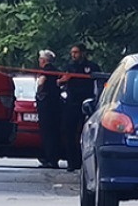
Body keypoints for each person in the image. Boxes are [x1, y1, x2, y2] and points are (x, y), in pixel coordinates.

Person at [59, 42, 101, 171]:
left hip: (87, 103)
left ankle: (86, 163)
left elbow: (99, 83)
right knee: (69, 132)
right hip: (72, 103)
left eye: (76, 52)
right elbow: (60, 82)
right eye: (72, 53)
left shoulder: (92, 67)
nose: (73, 55)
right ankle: (72, 162)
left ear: (82, 53)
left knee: (87, 133)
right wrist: (62, 80)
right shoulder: (69, 67)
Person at [35, 49, 63, 169]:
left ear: (43, 60)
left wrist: (39, 91)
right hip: (56, 104)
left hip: (46, 105)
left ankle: (49, 158)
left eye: (40, 59)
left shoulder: (45, 71)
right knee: (54, 132)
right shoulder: (56, 71)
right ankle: (54, 158)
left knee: (47, 132)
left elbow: (41, 82)